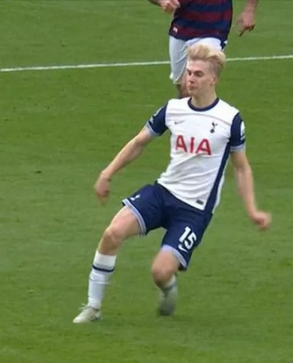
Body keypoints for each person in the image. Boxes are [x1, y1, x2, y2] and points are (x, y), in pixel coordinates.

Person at [72, 44, 271, 324]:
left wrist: (252, 210)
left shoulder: (230, 120)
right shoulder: (173, 109)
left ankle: (168, 288)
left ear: (214, 79)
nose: (190, 79)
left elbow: (241, 168)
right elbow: (140, 142)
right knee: (112, 233)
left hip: (194, 210)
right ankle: (93, 307)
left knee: (160, 272)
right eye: (189, 72)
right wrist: (108, 172)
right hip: (163, 192)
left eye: (198, 74)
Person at [149, 0, 259, 98]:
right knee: (183, 89)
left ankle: (212, 119)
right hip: (181, 28)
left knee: (196, 87)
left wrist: (249, 10)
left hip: (214, 29)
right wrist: (162, 1)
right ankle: (183, 119)